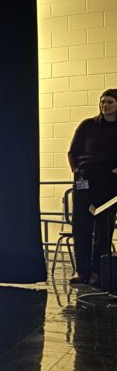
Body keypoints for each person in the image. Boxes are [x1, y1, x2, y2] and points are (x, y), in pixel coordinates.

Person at [68, 90, 117, 285]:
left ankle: (98, 272)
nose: (105, 105)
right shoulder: (88, 125)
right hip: (85, 179)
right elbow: (73, 151)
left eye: (110, 102)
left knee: (103, 228)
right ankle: (81, 271)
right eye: (102, 101)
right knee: (80, 226)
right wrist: (77, 171)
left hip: (109, 181)